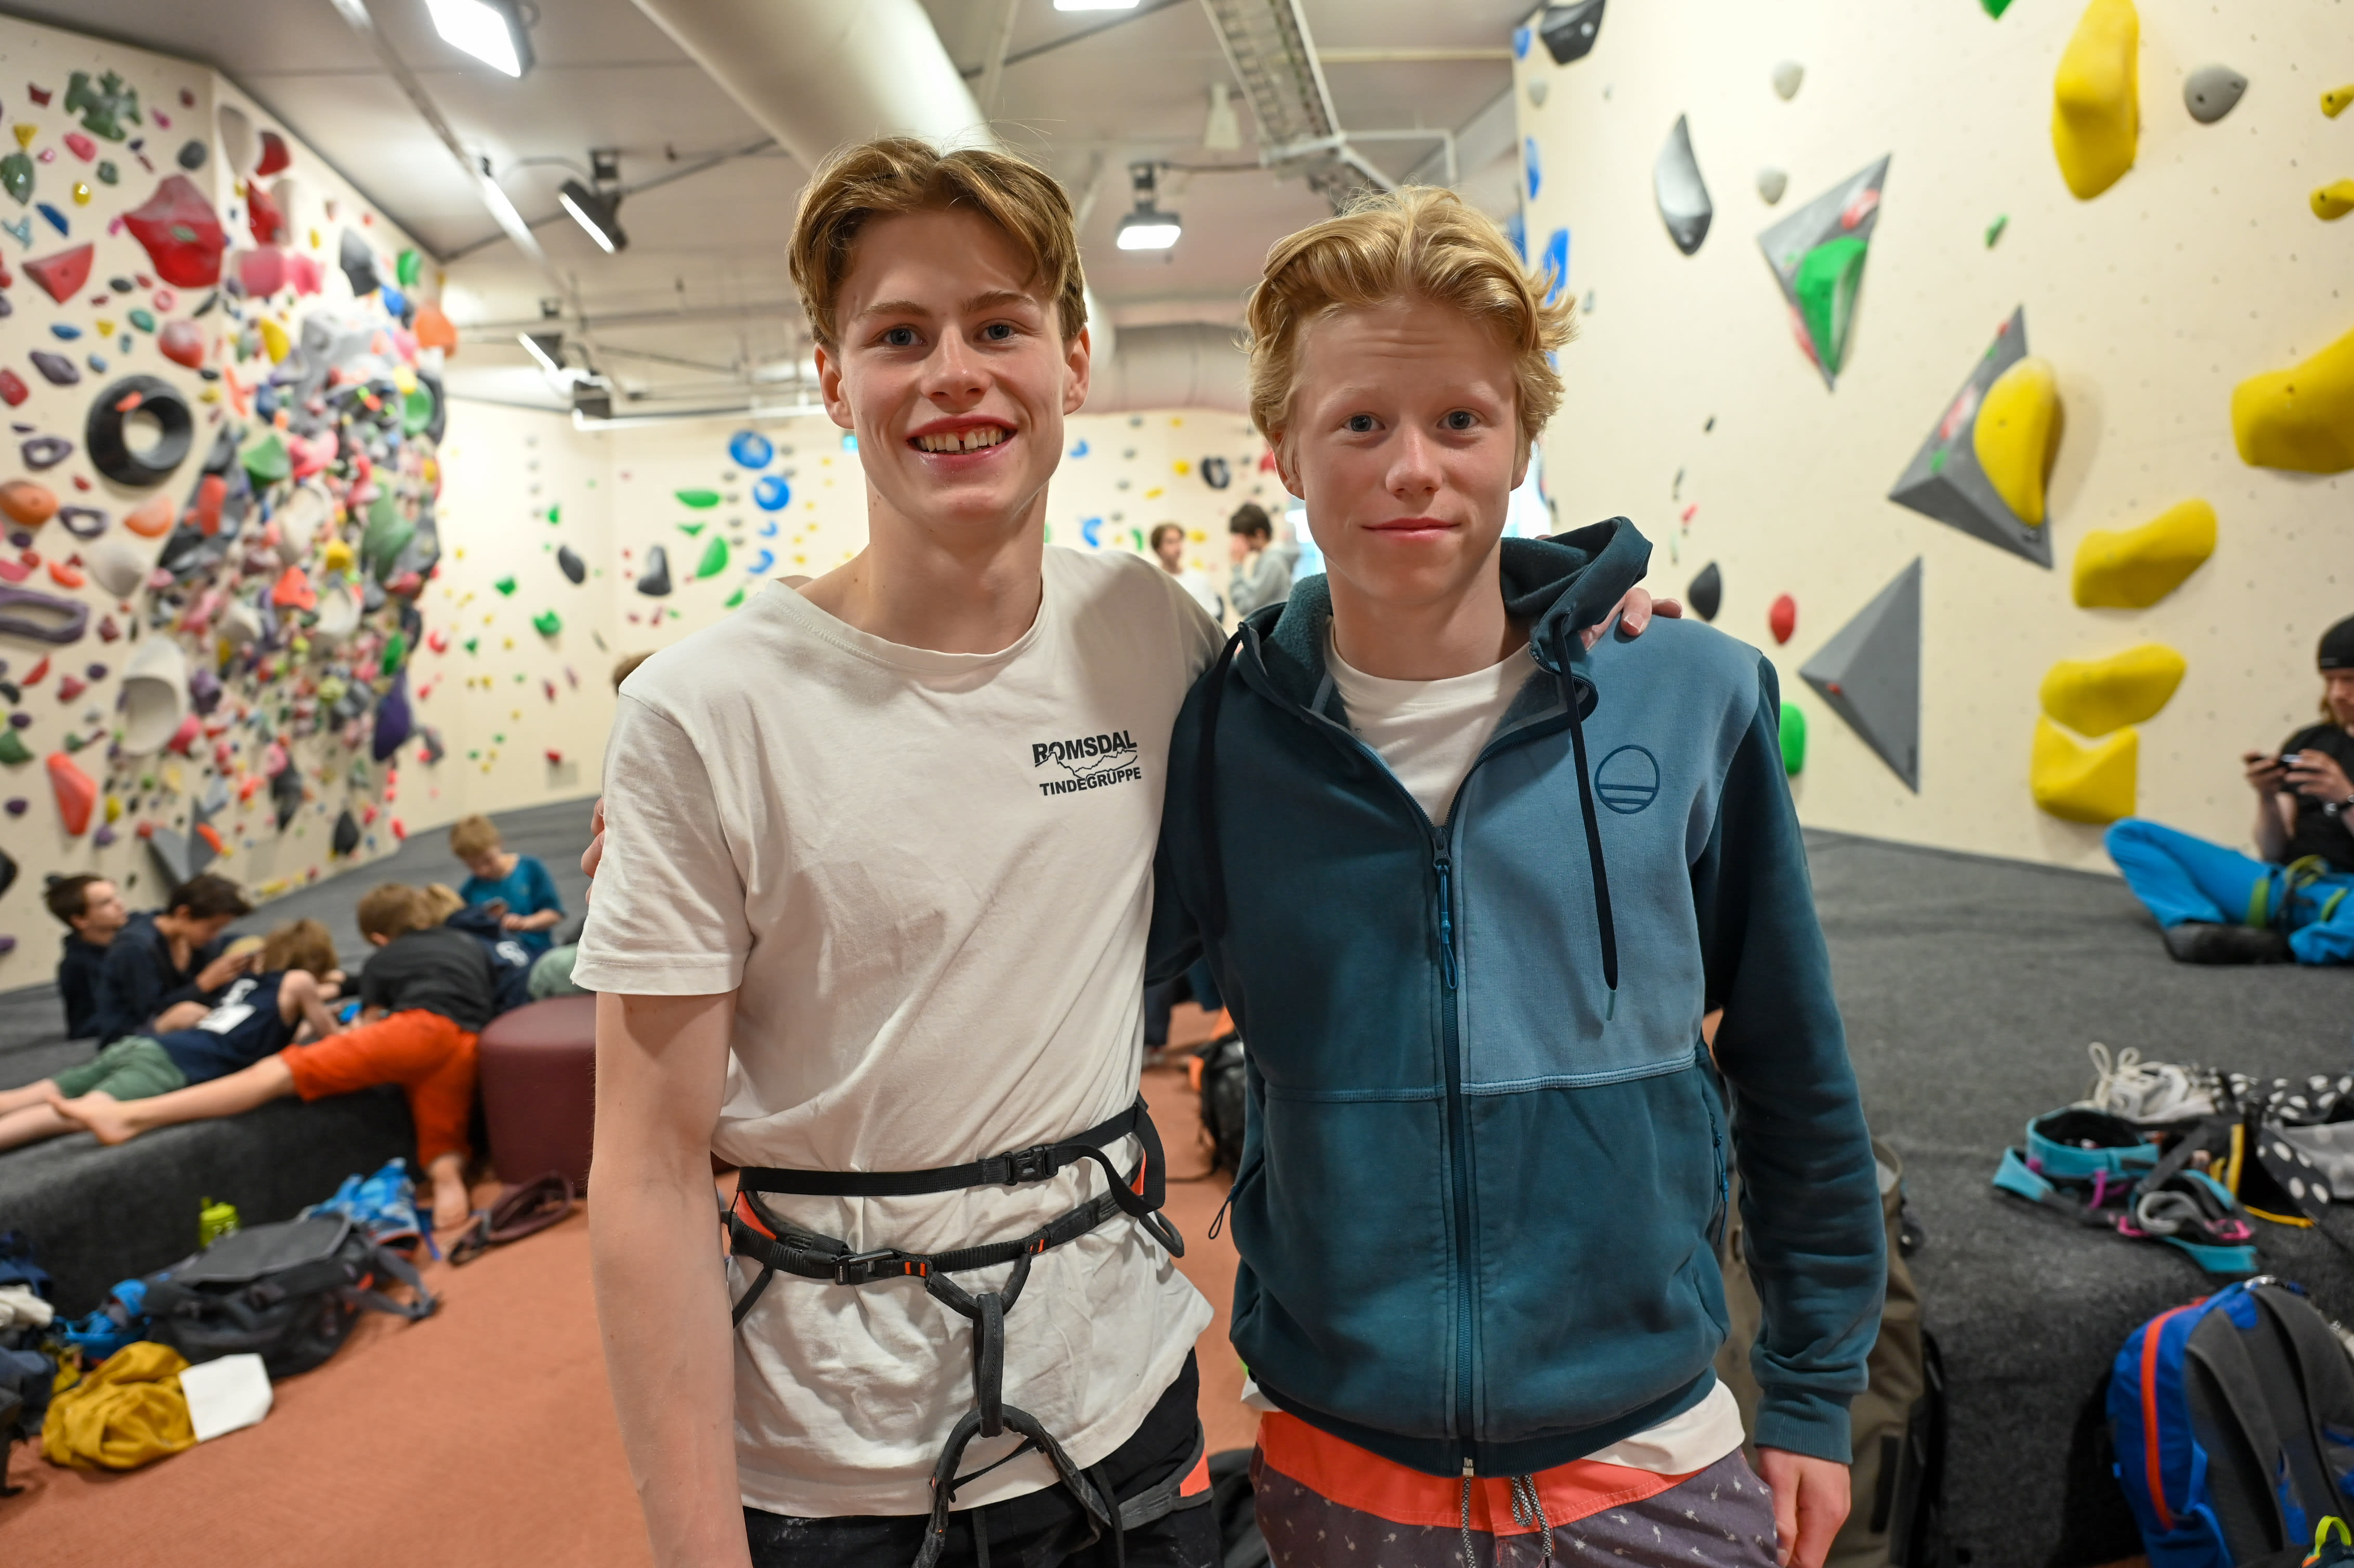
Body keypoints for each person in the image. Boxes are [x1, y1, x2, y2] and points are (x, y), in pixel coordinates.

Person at [571, 137, 1671, 1568]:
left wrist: (1573, 619)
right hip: (833, 1466)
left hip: (1121, 1414)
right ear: (832, 379)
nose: (954, 373)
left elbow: (1389, 677)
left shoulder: (1152, 635)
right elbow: (647, 1173)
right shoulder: (702, 712)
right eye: (899, 336)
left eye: (999, 326)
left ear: (1073, 362)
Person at [1149, 187, 1884, 1568]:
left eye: (1459, 420)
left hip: (1650, 1450)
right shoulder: (1225, 737)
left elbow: (1792, 1061)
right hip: (1339, 1459)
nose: (1411, 468)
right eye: (1358, 424)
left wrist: (1812, 1388)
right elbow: (1078, 1027)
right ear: (1284, 451)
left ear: (1522, 440)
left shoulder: (1689, 693)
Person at [50, 883, 494, 1230]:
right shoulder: (465, 942)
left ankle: (132, 1117)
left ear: (380, 938)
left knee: (271, 1074)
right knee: (441, 1133)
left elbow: (373, 1025)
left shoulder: (387, 959)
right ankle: (448, 1181)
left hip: (419, 1031)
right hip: (467, 1044)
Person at [2106, 615, 2354, 965]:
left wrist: (2345, 798)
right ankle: (2200, 927)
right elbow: (2272, 850)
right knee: (2129, 835)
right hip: (2284, 886)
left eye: (2350, 680)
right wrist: (2267, 798)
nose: (2338, 694)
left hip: (2348, 897)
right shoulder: (2311, 740)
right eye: (2329, 681)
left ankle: (2283, 947)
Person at [0, 920, 344, 1152]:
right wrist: (340, 1016)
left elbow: (265, 1030)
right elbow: (332, 1038)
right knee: (80, 1113)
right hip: (173, 1065)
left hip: (148, 1046)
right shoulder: (300, 981)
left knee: (34, 1094)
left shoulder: (246, 984)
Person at [86, 873, 254, 1047]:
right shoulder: (135, 947)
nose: (215, 936)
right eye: (212, 928)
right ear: (184, 914)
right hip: (129, 1039)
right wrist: (203, 984)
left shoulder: (192, 939)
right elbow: (150, 1012)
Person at [449, 814, 565, 957]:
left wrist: (525, 923)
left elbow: (554, 913)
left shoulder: (530, 868)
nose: (482, 870)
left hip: (539, 953)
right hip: (500, 960)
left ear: (499, 843)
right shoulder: (469, 891)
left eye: (488, 861)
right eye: (472, 866)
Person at [43, 874, 128, 1040]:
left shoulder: (137, 941)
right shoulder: (76, 965)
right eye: (106, 903)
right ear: (80, 920)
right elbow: (84, 1026)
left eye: (116, 897)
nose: (120, 904)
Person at [1224, 501, 1296, 619]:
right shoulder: (1269, 559)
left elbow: (1244, 605)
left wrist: (1237, 565)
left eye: (1243, 538)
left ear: (1259, 534)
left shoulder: (1272, 562)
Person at [1150, 522, 1223, 621]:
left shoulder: (1199, 579)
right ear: (1158, 548)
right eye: (1171, 542)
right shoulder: (1152, 581)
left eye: (1179, 541)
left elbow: (1212, 617)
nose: (1177, 548)